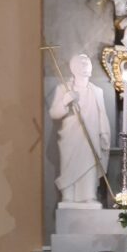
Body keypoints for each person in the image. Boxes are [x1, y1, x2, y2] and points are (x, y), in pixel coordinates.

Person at [48, 53, 111, 205]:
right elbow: (54, 113)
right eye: (82, 63)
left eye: (88, 62)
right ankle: (68, 196)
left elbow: (102, 114)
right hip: (70, 137)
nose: (86, 66)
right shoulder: (63, 88)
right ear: (73, 68)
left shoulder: (97, 91)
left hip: (91, 136)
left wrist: (104, 133)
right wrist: (65, 101)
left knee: (89, 165)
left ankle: (88, 196)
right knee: (69, 166)